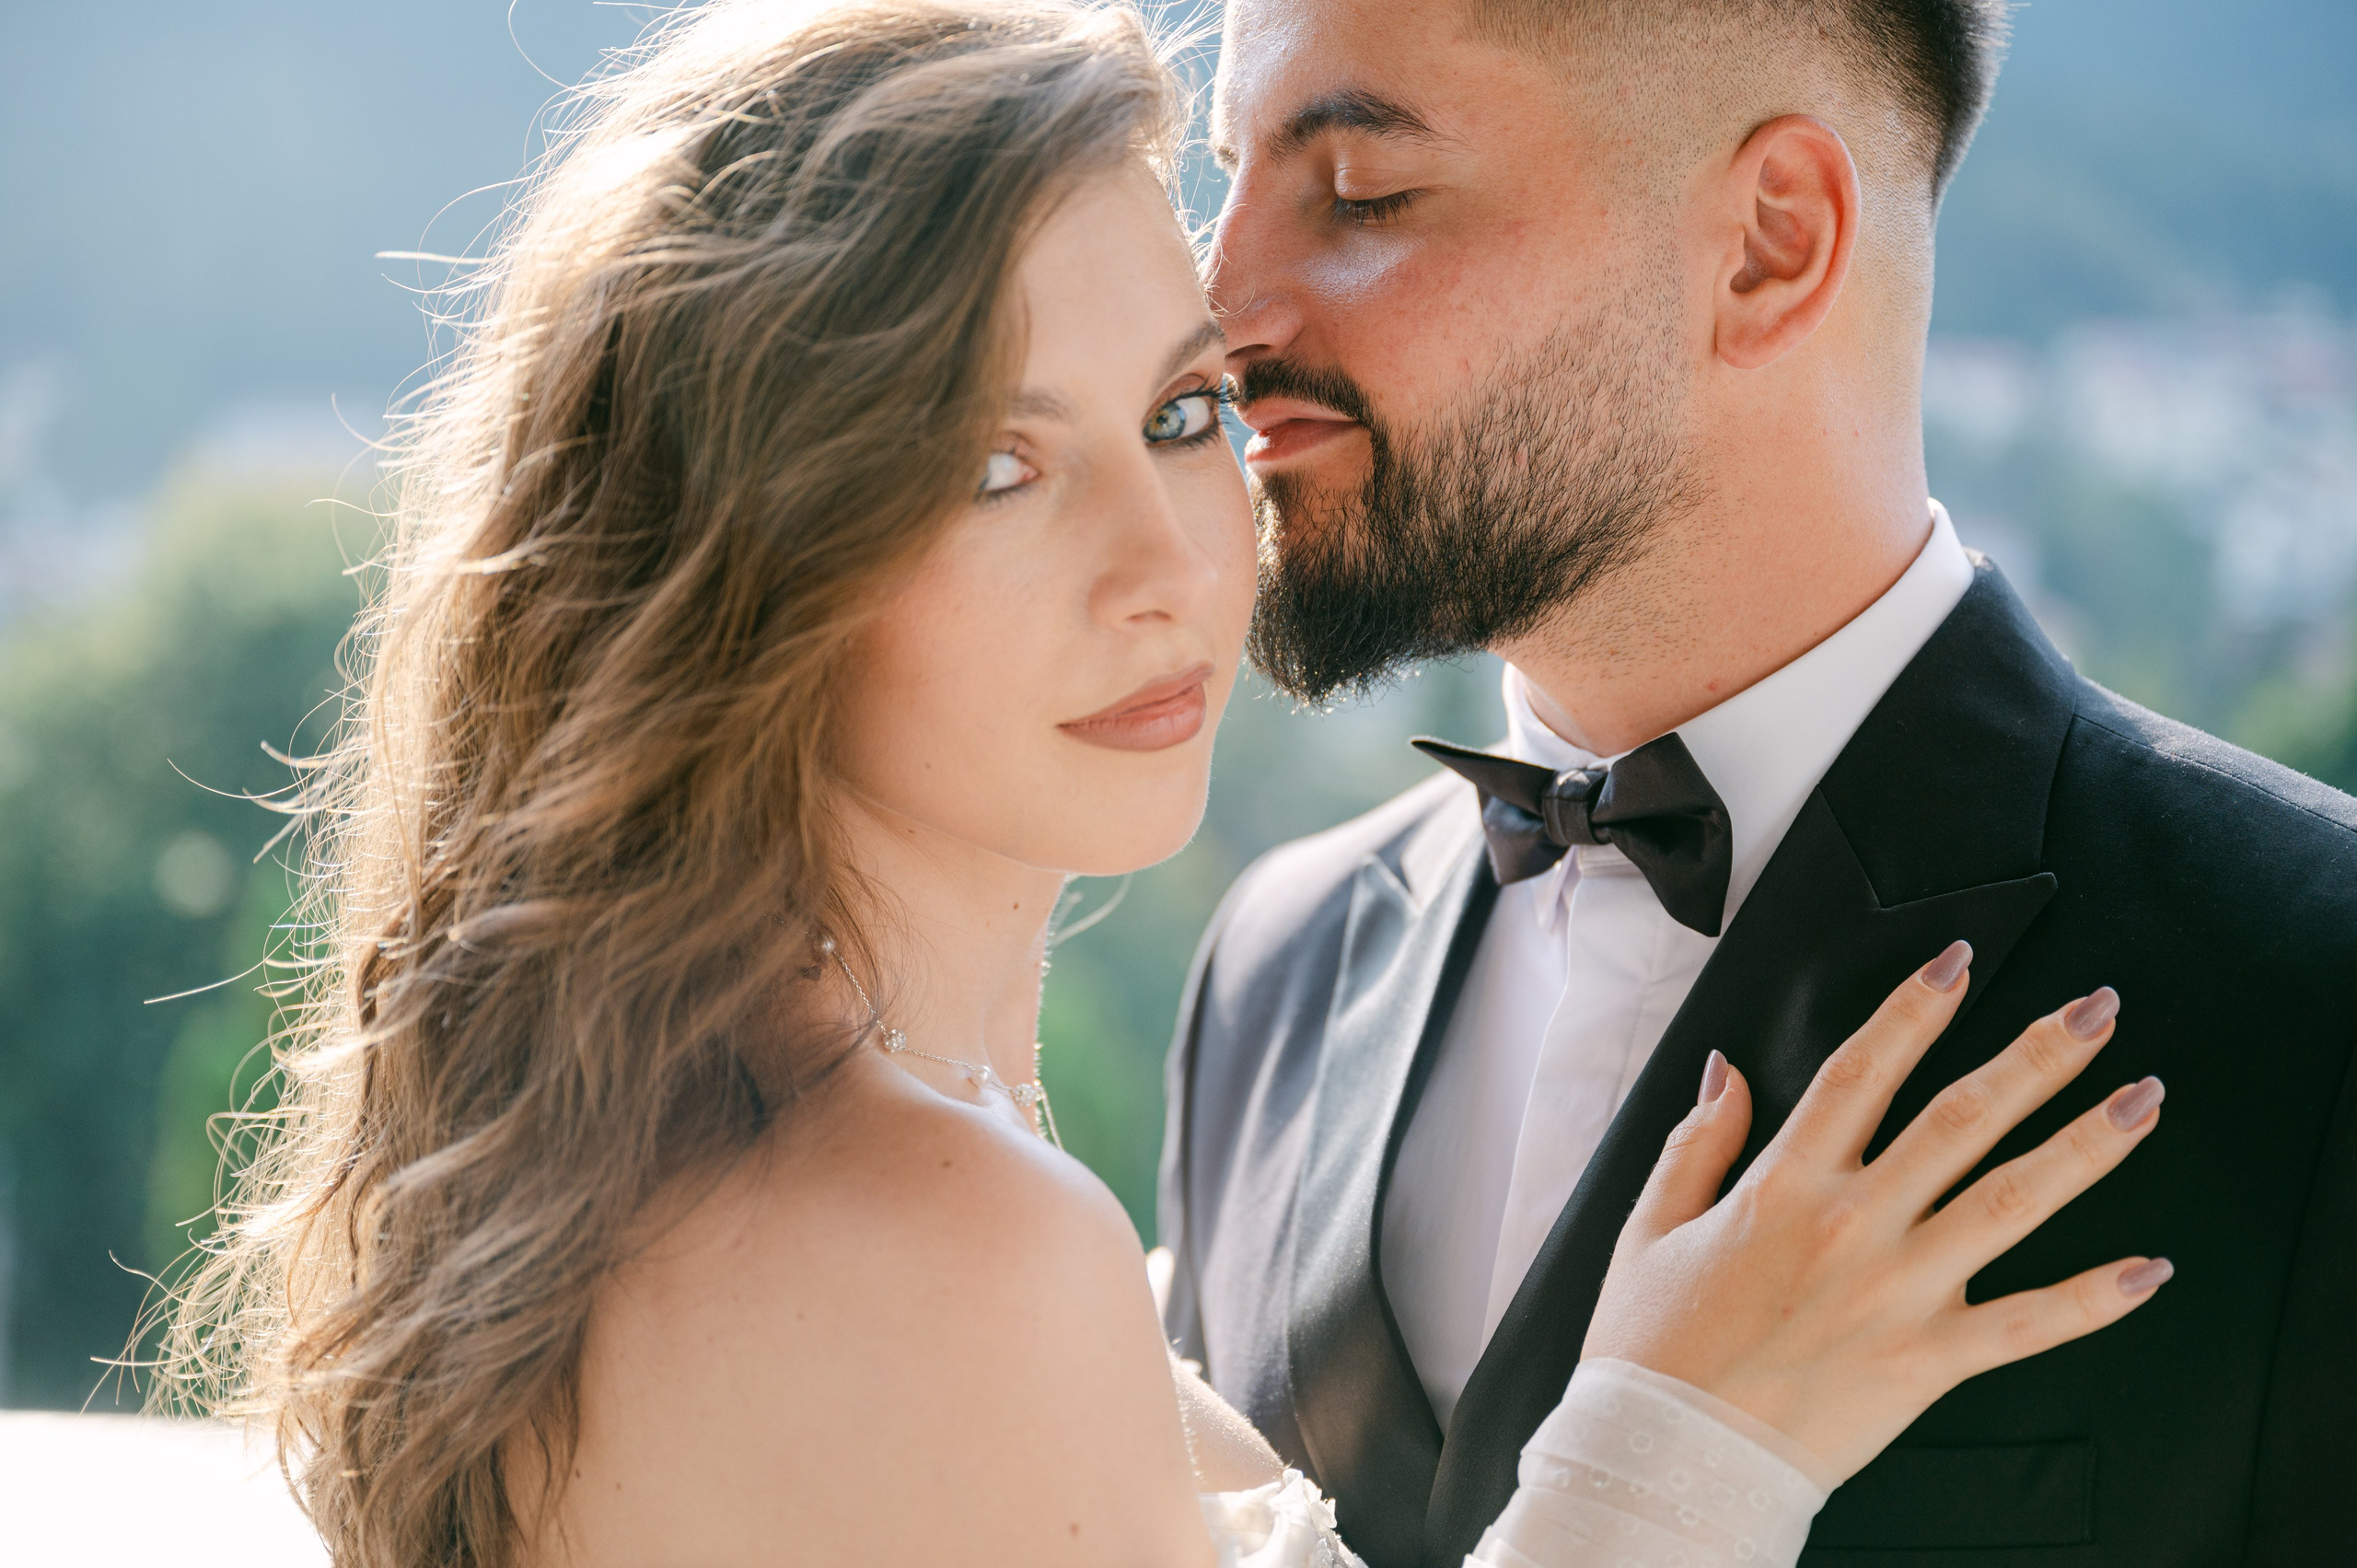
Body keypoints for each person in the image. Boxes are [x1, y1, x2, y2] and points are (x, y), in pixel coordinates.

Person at [157, 4, 2171, 1565]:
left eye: (1185, 411)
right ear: (736, 553)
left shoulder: (698, 1153)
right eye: (994, 466)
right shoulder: (956, 1248)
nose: (1174, 560)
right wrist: (1681, 1446)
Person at [1164, 0, 2357, 1562]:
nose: (1218, 307)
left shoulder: (2312, 989)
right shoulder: (1271, 961)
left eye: (1363, 192)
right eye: (1222, 183)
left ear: (1768, 244)